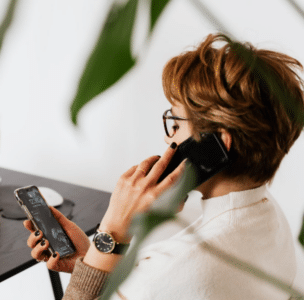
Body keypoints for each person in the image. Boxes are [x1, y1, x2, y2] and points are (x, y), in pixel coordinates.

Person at [23, 33, 304, 299]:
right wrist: (92, 259)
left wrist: (112, 230)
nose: (169, 137)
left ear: (218, 143)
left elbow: (162, 283)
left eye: (176, 122)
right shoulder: (269, 218)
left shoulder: (175, 269)